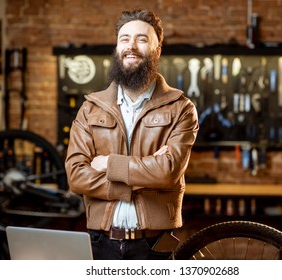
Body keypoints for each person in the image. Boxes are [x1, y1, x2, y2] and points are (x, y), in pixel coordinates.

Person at [65, 9, 199, 260]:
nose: (131, 46)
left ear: (157, 50)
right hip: (100, 243)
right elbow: (75, 176)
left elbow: (168, 171)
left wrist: (106, 164)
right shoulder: (90, 108)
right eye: (124, 39)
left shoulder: (181, 108)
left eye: (142, 39)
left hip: (154, 244)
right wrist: (140, 179)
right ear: (117, 47)